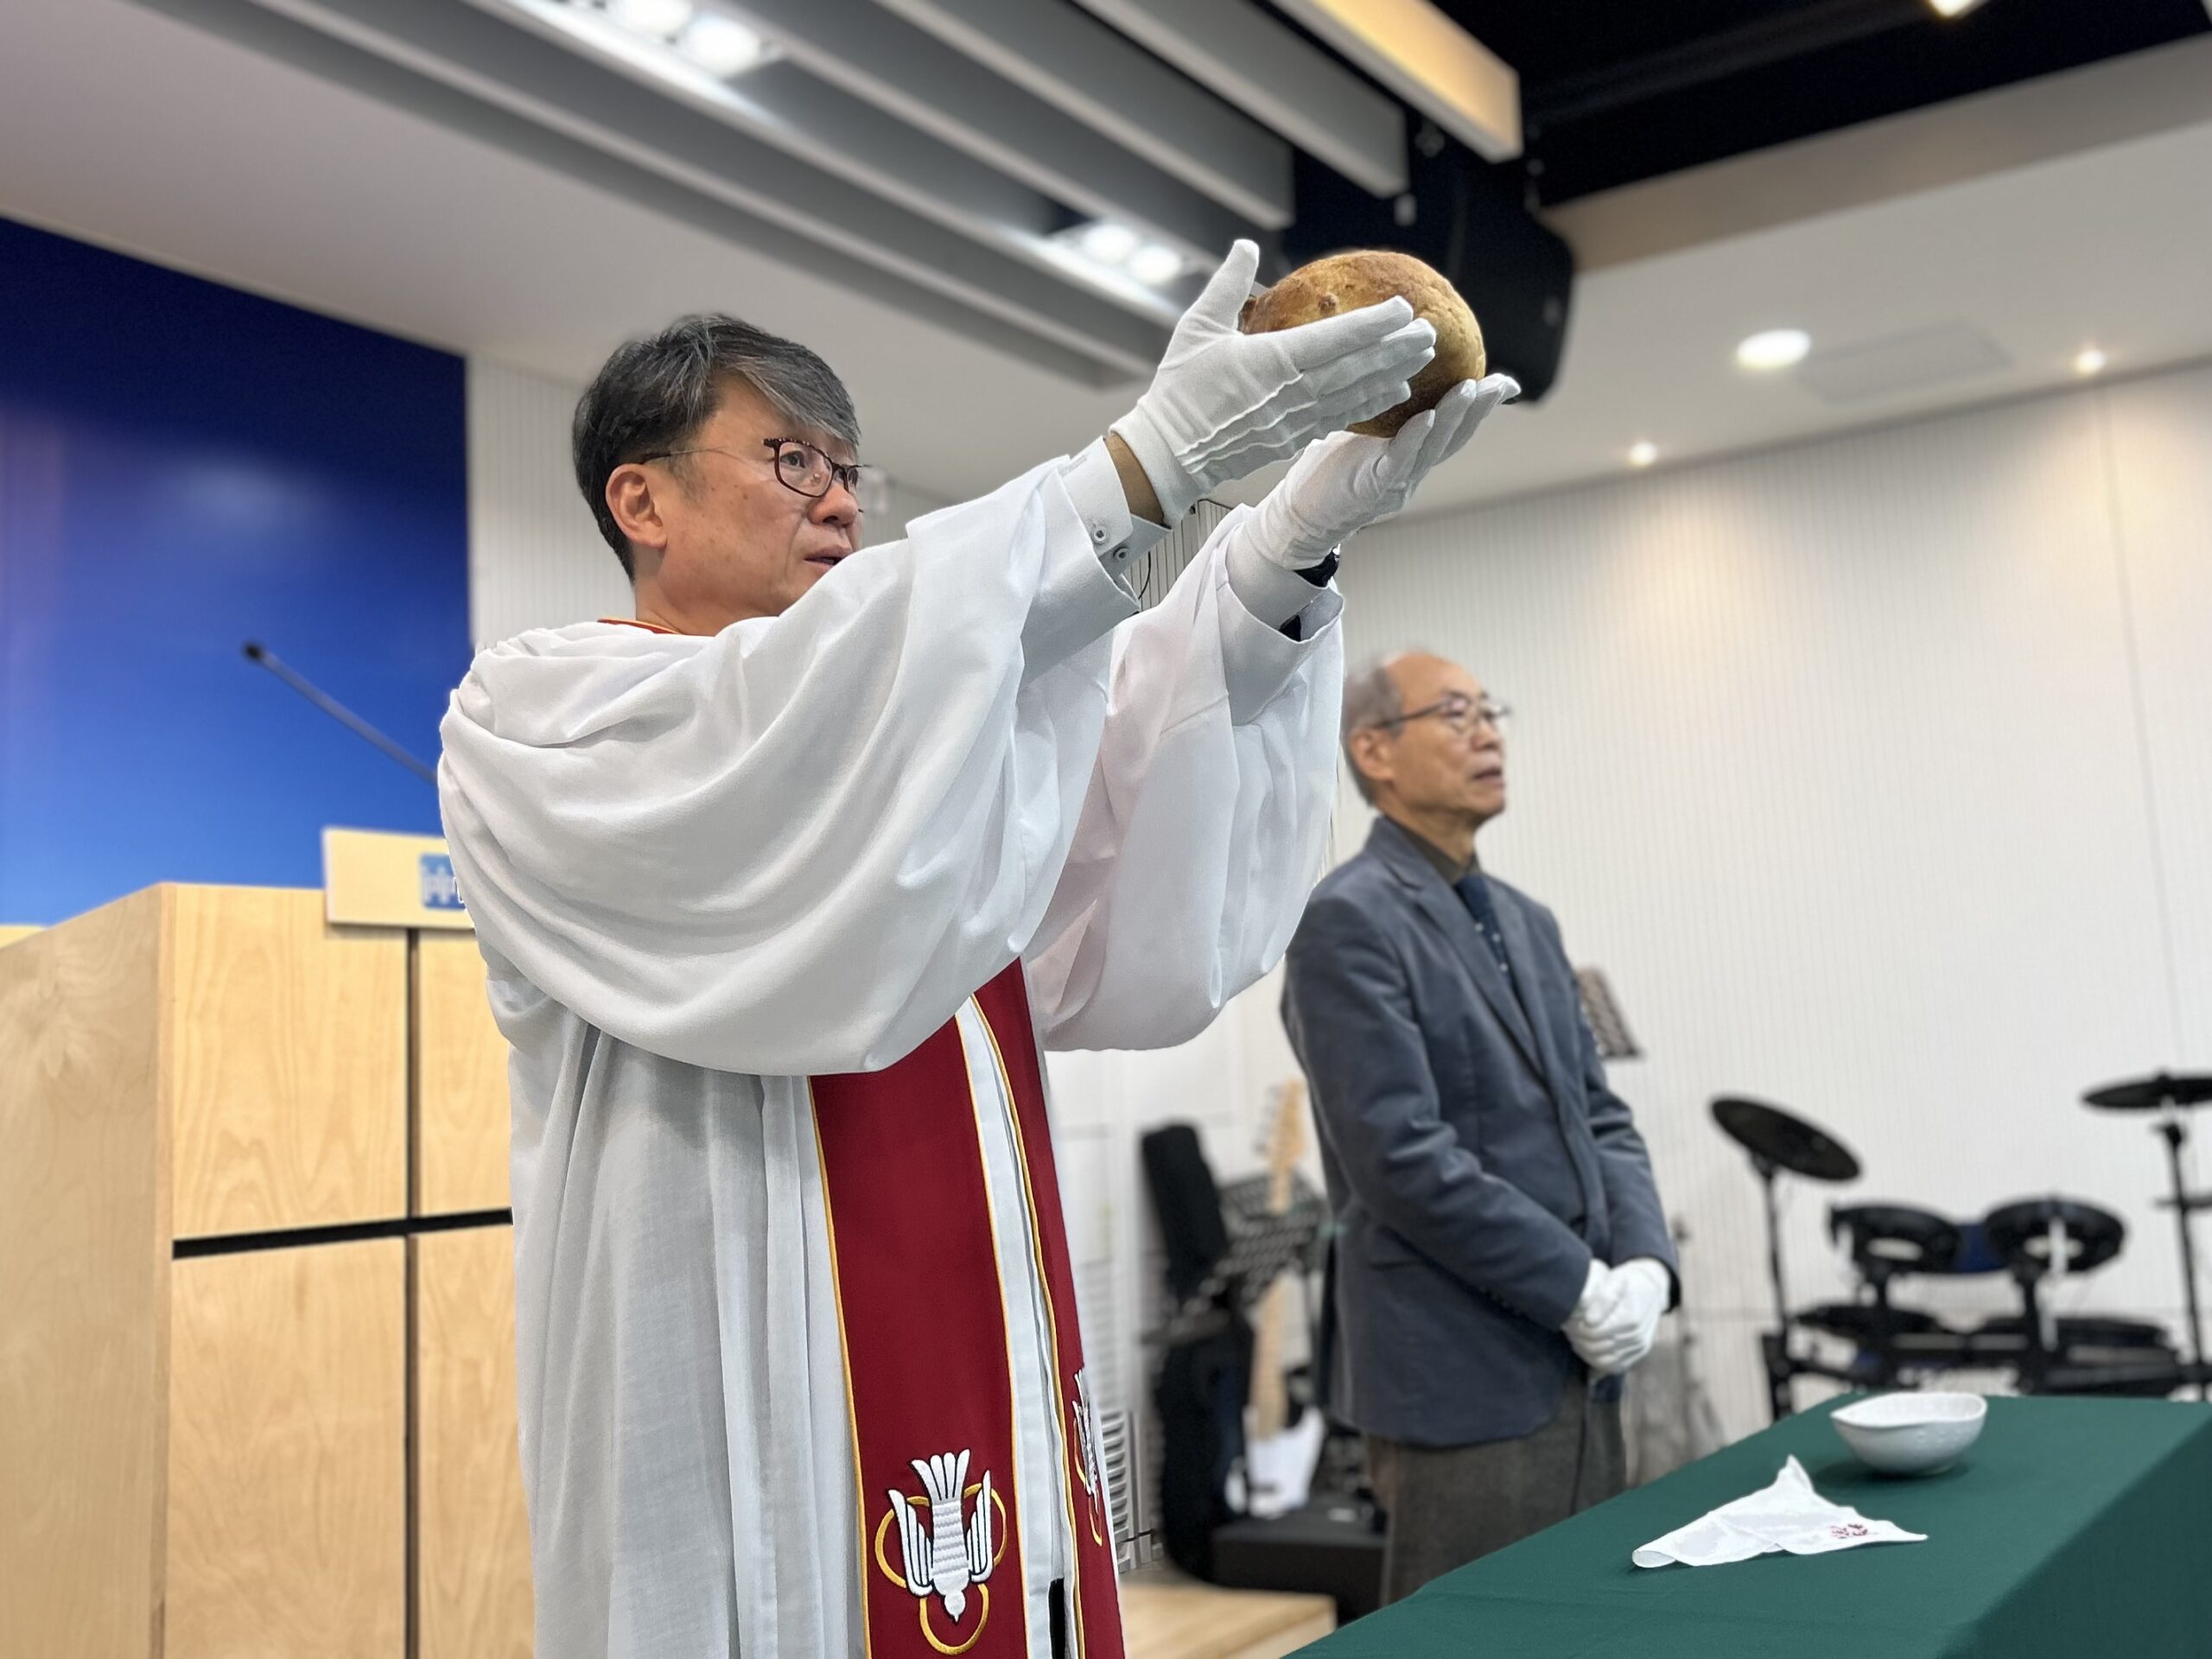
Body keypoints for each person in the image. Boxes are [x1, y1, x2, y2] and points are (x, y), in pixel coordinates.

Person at [438, 242, 1518, 1659]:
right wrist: (1153, 462)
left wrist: (1280, 550)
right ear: (640, 499)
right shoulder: (539, 716)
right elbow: (792, 722)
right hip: (747, 1388)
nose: (839, 499)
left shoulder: (916, 729)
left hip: (975, 1331)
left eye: (849, 469)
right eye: (791, 459)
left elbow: (1126, 808)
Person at [1280, 650, 1676, 1603]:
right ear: (1374, 751)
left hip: (1582, 1365)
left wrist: (1644, 1265)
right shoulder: (1347, 921)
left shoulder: (1529, 923)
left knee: (1588, 1621)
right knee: (1483, 1632)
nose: (1488, 732)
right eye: (1455, 714)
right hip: (1459, 1373)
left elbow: (1601, 1117)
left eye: (1491, 712)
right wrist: (1575, 1285)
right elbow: (1400, 1158)